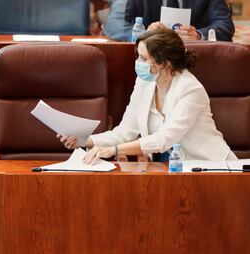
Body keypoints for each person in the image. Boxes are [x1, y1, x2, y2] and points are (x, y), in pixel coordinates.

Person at [57, 28, 237, 164]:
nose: (137, 63)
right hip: (169, 169)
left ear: (163, 63)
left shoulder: (190, 89)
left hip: (211, 167)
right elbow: (126, 131)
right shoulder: (144, 83)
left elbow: (164, 139)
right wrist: (84, 141)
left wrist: (113, 150)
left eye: (143, 59)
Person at [104, 0, 235, 41]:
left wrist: (199, 35)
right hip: (149, 59)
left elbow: (225, 24)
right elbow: (114, 24)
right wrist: (144, 35)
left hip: (195, 59)